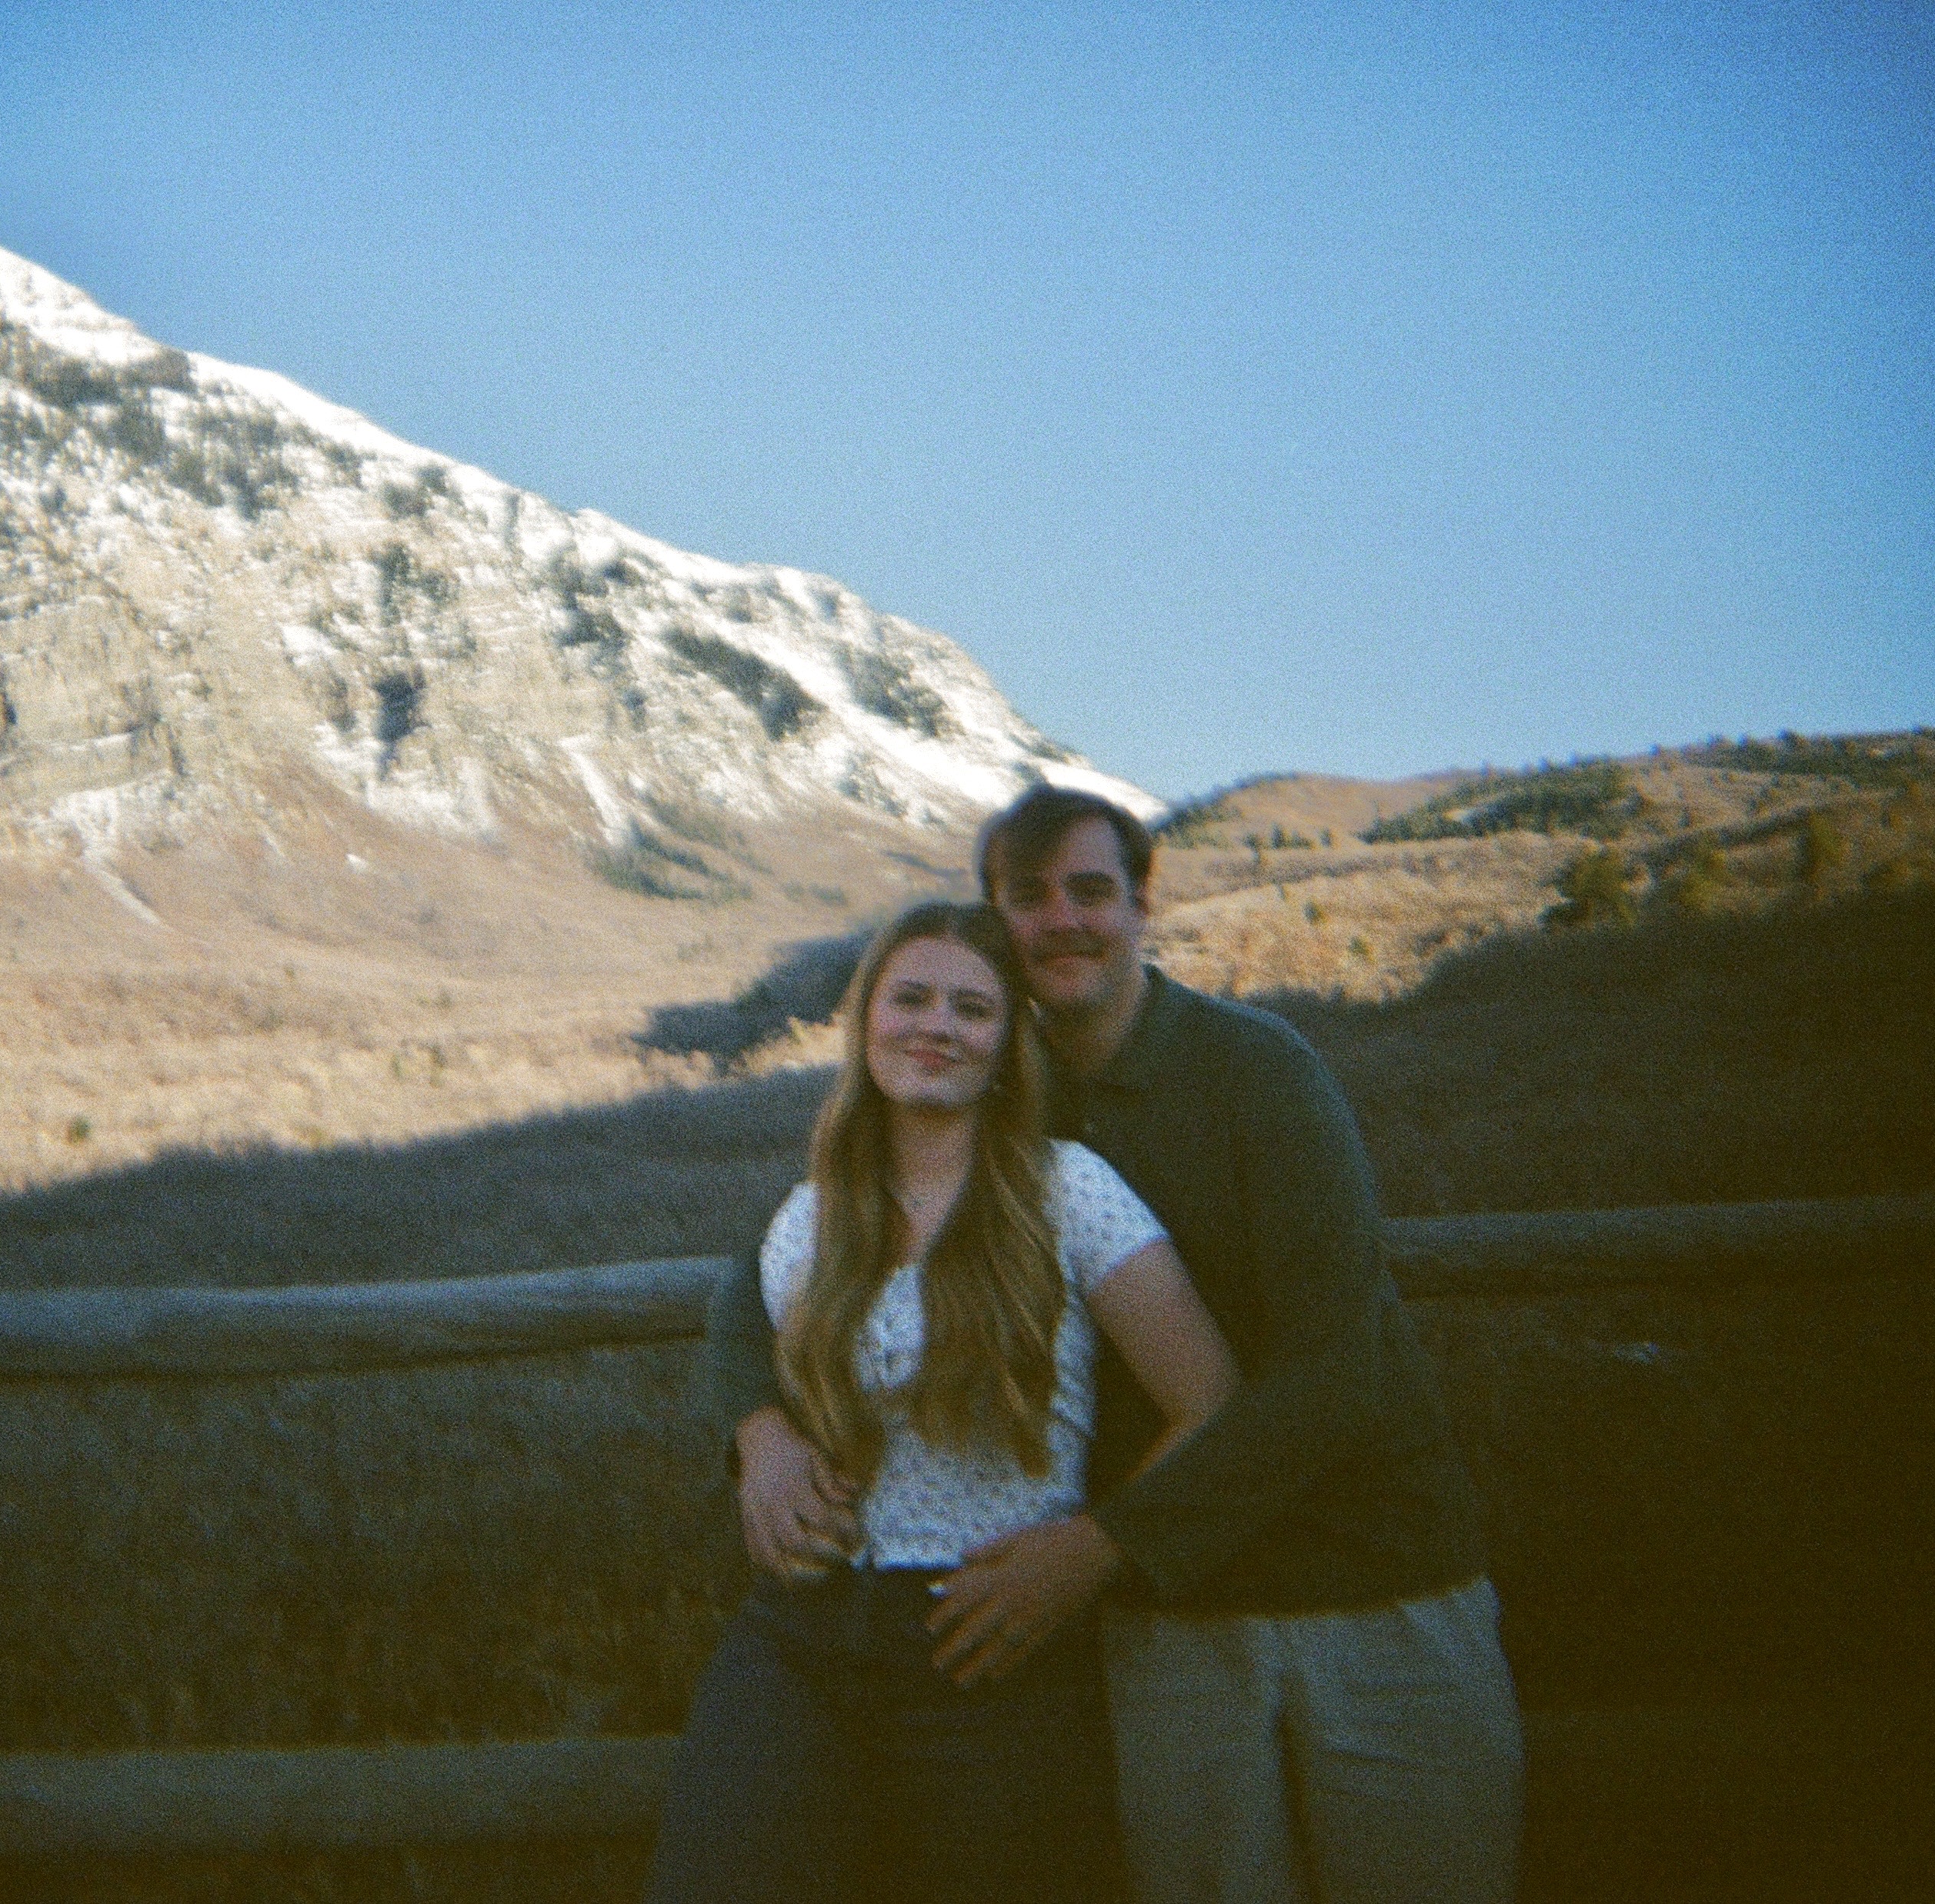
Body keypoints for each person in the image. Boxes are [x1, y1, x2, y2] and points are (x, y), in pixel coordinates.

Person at [706, 786, 1524, 1904]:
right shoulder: (993, 1099)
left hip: (1366, 1583)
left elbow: (1340, 1370)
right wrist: (760, 1427)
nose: (1062, 922)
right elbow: (778, 1262)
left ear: (1142, 904)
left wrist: (1103, 1544)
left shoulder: (1257, 1076)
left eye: (1091, 891)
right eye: (1028, 898)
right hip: (1168, 1626)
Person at [649, 898, 1239, 1904]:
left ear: (1007, 1044)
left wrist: (1100, 1547)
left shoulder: (1069, 1190)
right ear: (864, 1020)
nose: (937, 1026)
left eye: (971, 1009)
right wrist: (764, 1440)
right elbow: (740, 1336)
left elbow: (1211, 1398)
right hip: (800, 1634)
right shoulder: (812, 1209)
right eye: (910, 997)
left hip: (990, 1642)